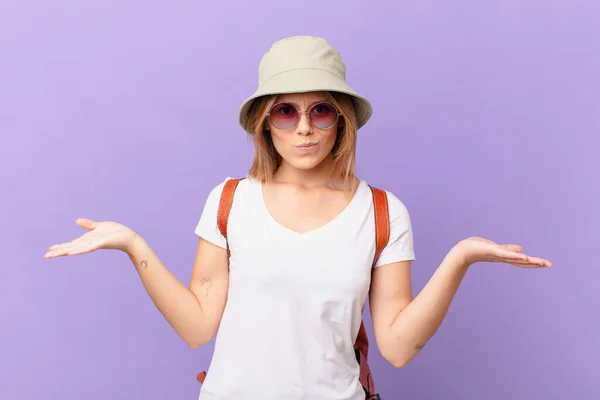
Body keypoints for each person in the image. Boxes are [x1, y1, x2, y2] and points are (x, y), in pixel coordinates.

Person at [44, 36, 552, 400]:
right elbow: (198, 327)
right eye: (286, 111)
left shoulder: (382, 212)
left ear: (342, 121)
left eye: (321, 110)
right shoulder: (229, 201)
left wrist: (460, 259)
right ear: (266, 123)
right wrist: (134, 245)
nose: (304, 128)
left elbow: (397, 348)